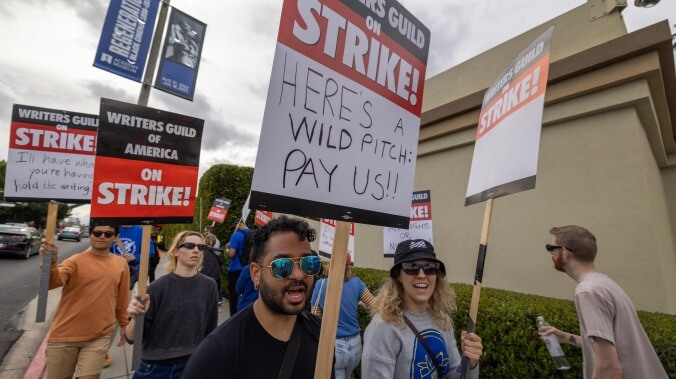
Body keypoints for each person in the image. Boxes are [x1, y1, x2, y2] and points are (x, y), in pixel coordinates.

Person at [181, 215, 329, 378]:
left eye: (308, 263)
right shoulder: (216, 354)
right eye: (282, 265)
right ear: (256, 274)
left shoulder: (322, 334)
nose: (299, 275)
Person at [540, 225, 668, 378]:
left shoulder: (587, 291)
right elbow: (615, 345)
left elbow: (609, 367)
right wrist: (568, 338)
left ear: (566, 252)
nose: (551, 253)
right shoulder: (604, 283)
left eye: (551, 248)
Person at [362, 239, 483, 379]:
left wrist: (470, 363)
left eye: (430, 267)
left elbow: (452, 374)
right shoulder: (383, 327)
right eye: (412, 267)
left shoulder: (442, 319)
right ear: (398, 276)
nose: (421, 274)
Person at [41, 223, 130, 379]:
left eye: (108, 234)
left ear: (115, 238)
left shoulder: (121, 263)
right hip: (64, 336)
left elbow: (122, 299)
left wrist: (124, 325)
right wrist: (51, 262)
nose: (102, 236)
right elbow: (51, 283)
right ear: (90, 235)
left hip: (99, 336)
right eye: (97, 233)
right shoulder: (75, 261)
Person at [125, 231, 218, 379]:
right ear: (175, 251)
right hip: (155, 368)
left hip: (192, 365)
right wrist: (136, 317)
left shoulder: (209, 285)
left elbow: (210, 331)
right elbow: (131, 338)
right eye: (189, 245)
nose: (196, 250)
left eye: (200, 247)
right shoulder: (157, 288)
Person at [311, 253, 374, 379]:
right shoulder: (357, 283)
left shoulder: (321, 285)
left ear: (330, 265)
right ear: (348, 267)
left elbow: (315, 317)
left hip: (335, 346)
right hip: (356, 345)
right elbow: (375, 305)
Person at [111, 225, 155, 290]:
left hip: (130, 274)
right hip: (111, 274)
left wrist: (135, 257)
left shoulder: (141, 231)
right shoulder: (110, 230)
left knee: (125, 297)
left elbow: (150, 253)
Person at [226, 218, 251, 317]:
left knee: (234, 295)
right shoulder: (254, 234)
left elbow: (231, 254)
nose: (234, 230)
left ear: (239, 224)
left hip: (236, 268)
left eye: (234, 228)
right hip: (250, 268)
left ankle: (234, 317)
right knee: (248, 293)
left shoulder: (236, 235)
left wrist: (227, 249)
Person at [202, 233, 225, 305]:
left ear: (205, 241)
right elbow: (222, 262)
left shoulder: (201, 251)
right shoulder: (219, 251)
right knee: (216, 289)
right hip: (215, 275)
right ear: (215, 242)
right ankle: (218, 300)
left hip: (204, 275)